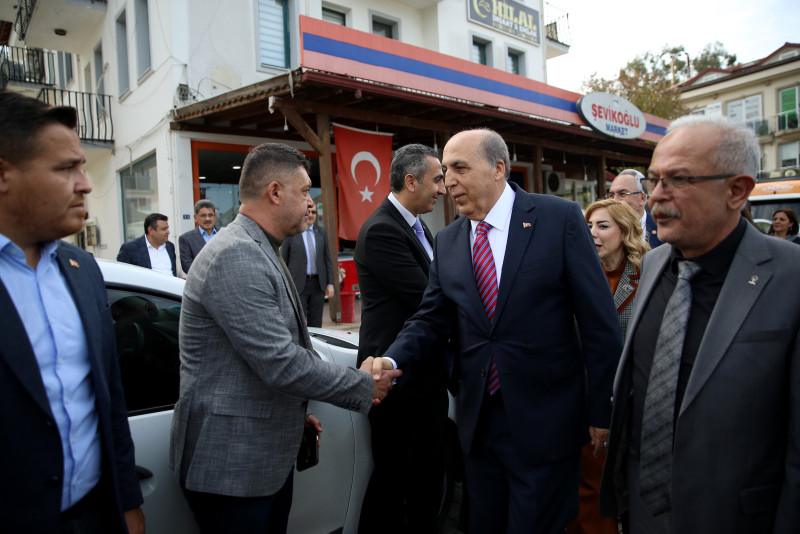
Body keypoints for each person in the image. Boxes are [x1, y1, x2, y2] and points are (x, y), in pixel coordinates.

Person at [371, 128, 622, 533]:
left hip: (546, 422)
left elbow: (599, 322)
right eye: (445, 171)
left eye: (460, 168)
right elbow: (430, 319)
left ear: (498, 168)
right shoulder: (449, 240)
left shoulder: (557, 218)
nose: (449, 181)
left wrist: (602, 410)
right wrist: (391, 358)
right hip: (479, 425)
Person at [169, 142, 400, 534]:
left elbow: (251, 358)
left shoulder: (259, 246)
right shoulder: (238, 254)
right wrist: (363, 384)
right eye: (304, 190)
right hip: (234, 469)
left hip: (256, 459)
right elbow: (281, 362)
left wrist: (292, 413)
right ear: (275, 192)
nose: (310, 201)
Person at [599, 115, 800, 533]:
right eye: (654, 179)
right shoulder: (653, 264)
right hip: (644, 514)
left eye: (679, 179)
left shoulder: (791, 276)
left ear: (737, 191)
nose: (656, 196)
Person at [0, 91, 145, 532]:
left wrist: (127, 502)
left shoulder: (82, 270)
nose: (85, 184)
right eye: (66, 169)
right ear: (4, 175)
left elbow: (109, 399)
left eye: (82, 166)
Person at [355, 143, 449, 533]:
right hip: (396, 381)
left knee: (428, 479)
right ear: (411, 181)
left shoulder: (417, 226)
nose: (443, 189)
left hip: (425, 378)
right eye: (437, 179)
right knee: (396, 484)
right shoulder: (383, 230)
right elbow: (429, 298)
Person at [567, 199, 649, 534]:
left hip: (637, 404)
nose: (593, 233)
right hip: (589, 401)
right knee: (591, 488)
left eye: (603, 226)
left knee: (636, 489)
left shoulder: (648, 276)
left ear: (625, 232)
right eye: (588, 226)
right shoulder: (577, 275)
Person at [280, 205, 335, 327]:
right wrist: (284, 285)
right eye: (308, 212)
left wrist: (330, 284)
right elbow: (283, 260)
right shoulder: (291, 233)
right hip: (298, 285)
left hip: (318, 285)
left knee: (316, 324)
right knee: (298, 323)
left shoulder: (321, 232)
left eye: (313, 212)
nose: (310, 215)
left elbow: (327, 259)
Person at [608, 169, 663, 247]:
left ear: (642, 198)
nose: (615, 200)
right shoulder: (604, 231)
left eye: (622, 194)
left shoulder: (663, 229)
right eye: (611, 195)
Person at [179, 199, 218, 274]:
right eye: (203, 215)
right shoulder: (186, 239)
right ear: (195, 217)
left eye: (210, 215)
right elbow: (187, 266)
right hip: (201, 280)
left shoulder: (224, 233)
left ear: (215, 216)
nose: (207, 219)